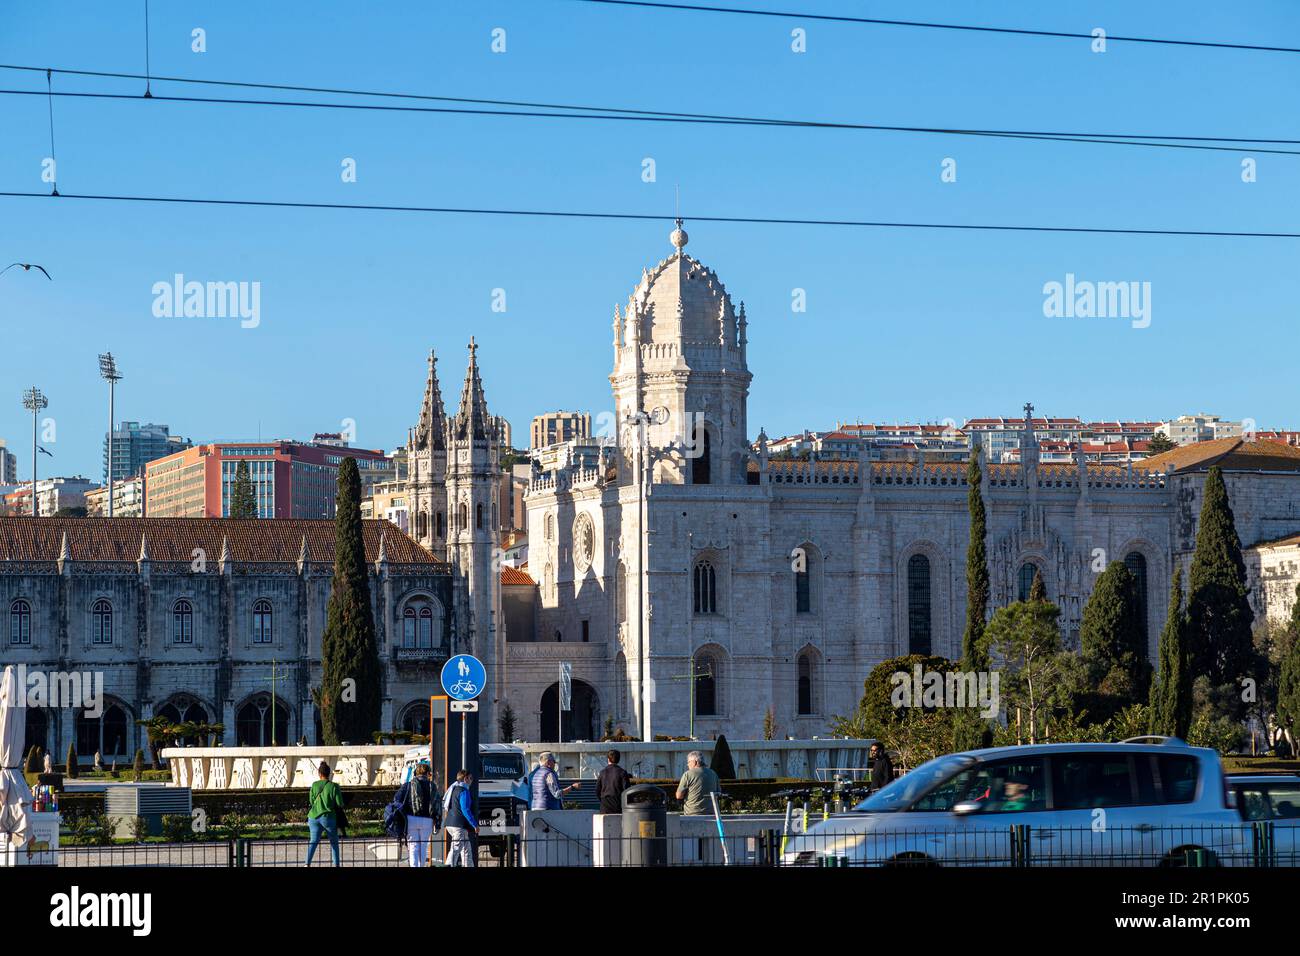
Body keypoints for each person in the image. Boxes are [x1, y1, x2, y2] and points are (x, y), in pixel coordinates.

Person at [393, 761, 440, 867]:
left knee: (413, 846)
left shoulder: (408, 785)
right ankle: (421, 865)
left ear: (416, 773)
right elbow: (437, 804)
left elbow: (396, 798)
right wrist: (437, 821)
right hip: (427, 820)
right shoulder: (432, 786)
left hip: (411, 818)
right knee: (423, 846)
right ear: (428, 773)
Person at [306, 761, 344, 866]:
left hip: (313, 817)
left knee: (313, 842)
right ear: (329, 773)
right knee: (334, 843)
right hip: (328, 817)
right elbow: (340, 803)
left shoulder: (314, 785)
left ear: (319, 773)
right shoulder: (334, 786)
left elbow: (311, 801)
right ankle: (336, 865)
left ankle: (307, 864)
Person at [443, 769, 478, 867]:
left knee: (466, 849)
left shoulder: (453, 789)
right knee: (455, 849)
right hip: (459, 825)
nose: (472, 781)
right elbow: (465, 809)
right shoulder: (464, 791)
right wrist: (474, 824)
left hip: (450, 823)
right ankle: (449, 866)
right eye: (471, 778)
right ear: (465, 779)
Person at [675, 750, 721, 815]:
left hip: (692, 813)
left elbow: (679, 796)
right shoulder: (713, 773)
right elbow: (718, 792)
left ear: (695, 762)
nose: (687, 765)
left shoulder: (688, 774)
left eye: (688, 762)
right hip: (712, 813)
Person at [596, 749, 634, 814]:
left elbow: (597, 790)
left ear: (608, 759)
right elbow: (627, 791)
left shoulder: (602, 772)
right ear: (618, 760)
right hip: (618, 805)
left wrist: (603, 800)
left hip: (605, 806)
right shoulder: (622, 772)